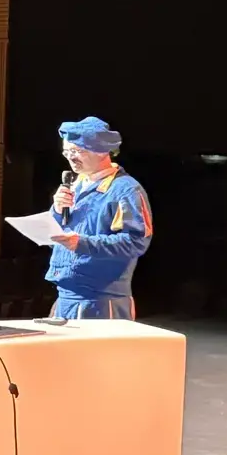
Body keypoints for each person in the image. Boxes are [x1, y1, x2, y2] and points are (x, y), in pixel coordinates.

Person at [46, 116, 153, 319]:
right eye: (67, 152)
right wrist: (57, 213)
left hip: (102, 301)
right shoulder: (75, 185)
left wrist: (81, 243)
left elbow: (135, 242)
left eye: (78, 151)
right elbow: (61, 240)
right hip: (66, 296)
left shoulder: (125, 190)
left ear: (103, 151)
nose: (71, 158)